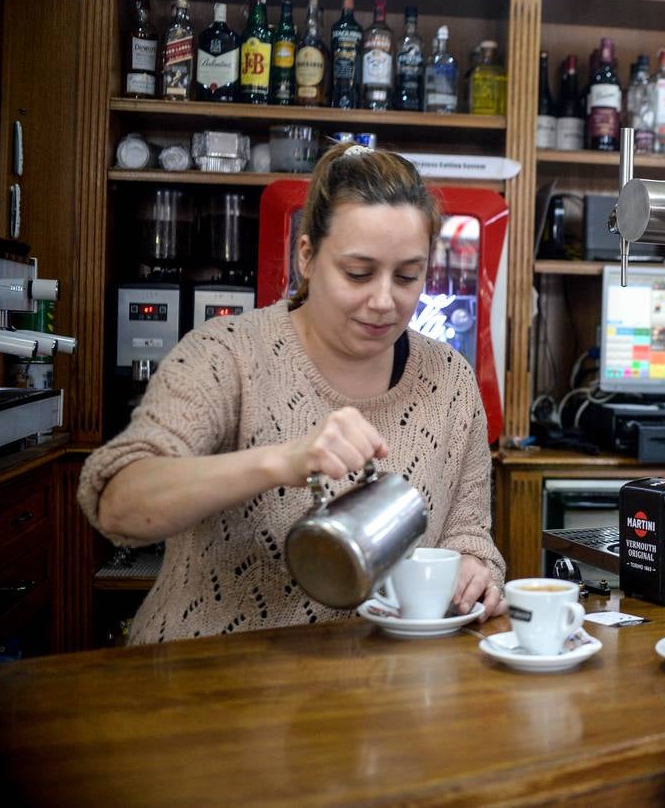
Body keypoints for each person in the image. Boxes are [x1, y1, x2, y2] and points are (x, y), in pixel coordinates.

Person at [78, 143, 506, 644]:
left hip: (377, 695)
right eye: (358, 273)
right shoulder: (228, 355)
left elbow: (467, 533)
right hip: (204, 684)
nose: (385, 301)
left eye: (408, 276)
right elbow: (117, 504)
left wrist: (476, 569)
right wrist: (280, 462)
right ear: (306, 256)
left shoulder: (450, 380)